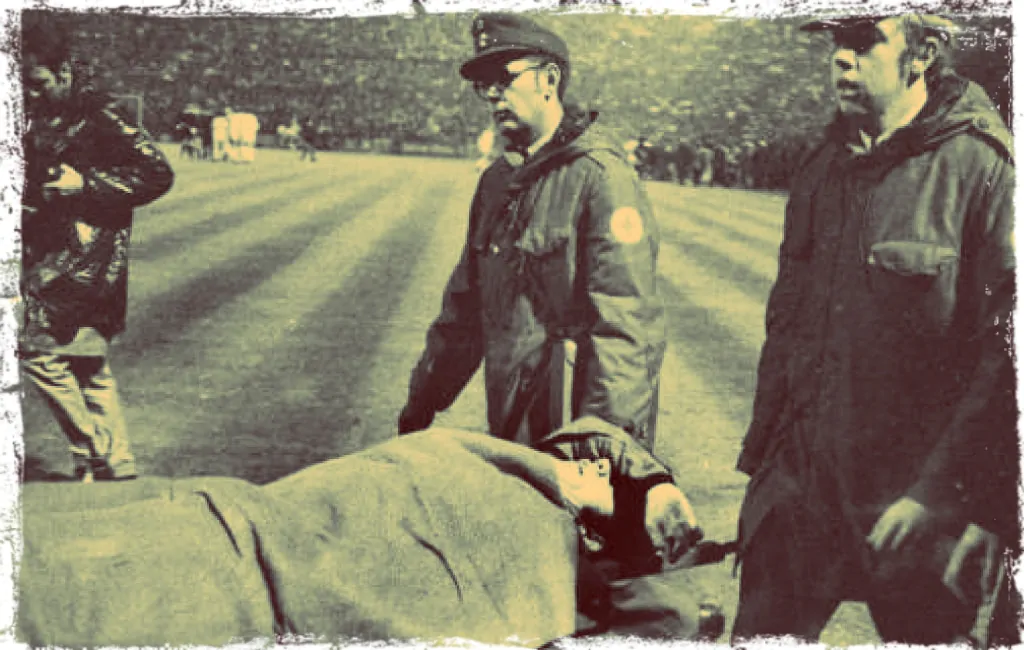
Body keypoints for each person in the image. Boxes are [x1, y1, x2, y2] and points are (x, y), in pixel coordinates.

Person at [732, 14, 1016, 645]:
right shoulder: (822, 167)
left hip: (912, 506)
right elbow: (788, 327)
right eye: (837, 43)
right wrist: (766, 466)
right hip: (799, 494)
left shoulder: (983, 170)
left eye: (863, 43)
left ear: (924, 54)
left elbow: (1005, 362)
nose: (841, 59)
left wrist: (942, 494)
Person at [17, 417, 719, 647]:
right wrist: (649, 482)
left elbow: (670, 610)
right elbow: (589, 437)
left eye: (601, 472)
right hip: (240, 526)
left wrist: (642, 496)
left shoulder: (544, 543)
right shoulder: (495, 463)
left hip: (248, 567)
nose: (589, 463)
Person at [399, 13, 667, 449]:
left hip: (577, 434)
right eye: (483, 84)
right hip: (513, 425)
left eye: (503, 78)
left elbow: (625, 328)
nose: (492, 94)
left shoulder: (601, 176)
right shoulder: (496, 182)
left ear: (550, 79)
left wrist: (600, 447)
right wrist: (422, 402)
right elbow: (464, 311)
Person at [20, 16, 175, 482]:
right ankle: (119, 467)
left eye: (39, 82)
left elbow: (158, 174)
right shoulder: (44, 111)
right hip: (59, 251)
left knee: (32, 346)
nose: (31, 92)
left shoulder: (103, 112)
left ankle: (94, 450)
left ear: (64, 70)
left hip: (87, 260)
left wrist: (84, 184)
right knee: (88, 365)